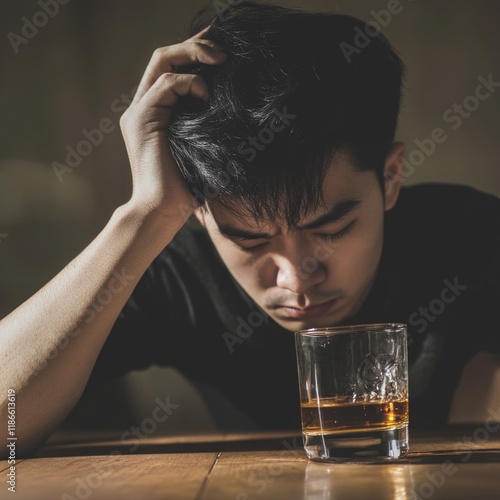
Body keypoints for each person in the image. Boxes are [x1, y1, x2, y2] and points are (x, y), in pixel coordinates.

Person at [1, 1, 499, 457]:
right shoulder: (178, 274)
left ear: (390, 178)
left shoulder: (472, 237)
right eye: (250, 239)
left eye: (333, 229)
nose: (296, 280)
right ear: (200, 211)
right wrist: (144, 214)